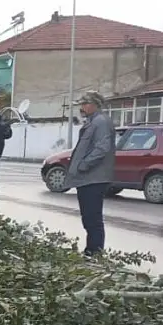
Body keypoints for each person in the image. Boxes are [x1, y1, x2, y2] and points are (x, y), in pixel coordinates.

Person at [65, 91, 116, 257]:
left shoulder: (100, 122)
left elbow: (102, 148)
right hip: (88, 178)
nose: (82, 107)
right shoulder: (93, 122)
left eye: (85, 104)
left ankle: (95, 252)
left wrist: (83, 165)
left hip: (94, 178)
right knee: (88, 216)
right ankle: (91, 250)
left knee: (92, 217)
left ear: (95, 104)